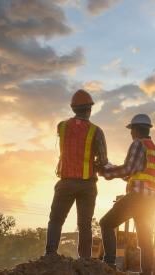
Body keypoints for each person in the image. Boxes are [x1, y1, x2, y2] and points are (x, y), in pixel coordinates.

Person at [45, 89, 108, 258]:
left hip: (66, 182)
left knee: (56, 220)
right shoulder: (96, 131)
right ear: (90, 109)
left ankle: (50, 255)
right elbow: (102, 161)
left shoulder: (62, 126)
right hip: (87, 184)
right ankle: (85, 260)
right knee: (85, 224)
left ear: (73, 108)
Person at [99, 114, 155, 275]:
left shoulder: (138, 144)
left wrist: (106, 171)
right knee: (145, 238)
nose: (131, 134)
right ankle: (147, 272)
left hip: (137, 198)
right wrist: (112, 168)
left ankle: (109, 264)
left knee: (106, 223)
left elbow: (127, 169)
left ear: (135, 130)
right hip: (151, 200)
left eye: (131, 130)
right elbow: (134, 174)